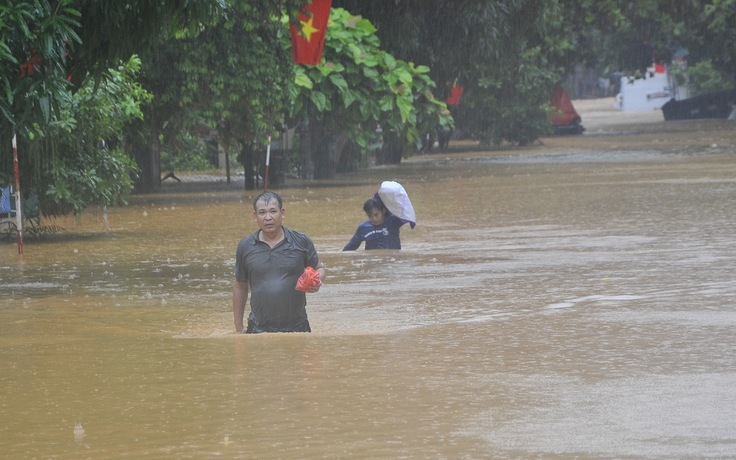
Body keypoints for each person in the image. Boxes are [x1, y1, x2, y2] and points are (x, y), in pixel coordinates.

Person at [233, 191, 326, 333]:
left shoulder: (301, 241)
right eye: (262, 213)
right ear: (255, 216)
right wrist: (238, 328)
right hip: (258, 328)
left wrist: (317, 280)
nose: (268, 217)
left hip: (297, 326)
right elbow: (240, 286)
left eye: (273, 211)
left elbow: (319, 268)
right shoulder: (245, 246)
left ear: (282, 213)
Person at [342, 196, 407, 251]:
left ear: (383, 211)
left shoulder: (394, 221)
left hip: (392, 263)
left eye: (376, 214)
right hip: (372, 262)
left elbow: (406, 213)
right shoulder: (363, 228)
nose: (374, 219)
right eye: (370, 216)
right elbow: (348, 249)